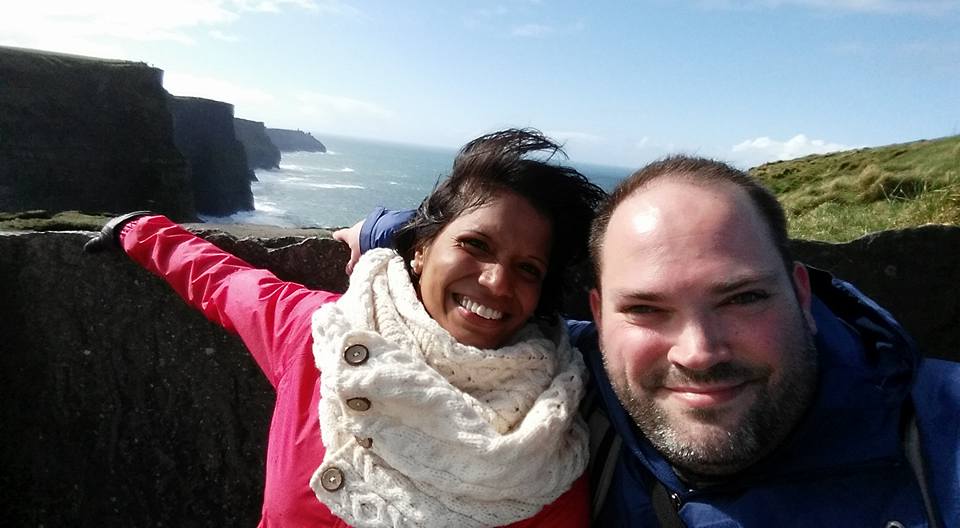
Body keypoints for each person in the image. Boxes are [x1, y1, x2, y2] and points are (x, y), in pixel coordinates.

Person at [350, 155, 959, 527]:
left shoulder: (938, 441)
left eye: (742, 297)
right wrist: (382, 230)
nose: (698, 352)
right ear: (599, 313)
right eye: (645, 308)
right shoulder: (565, 377)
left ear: (802, 291)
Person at [84, 128, 607, 527]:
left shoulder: (552, 428)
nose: (496, 282)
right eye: (475, 245)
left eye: (528, 269)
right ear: (420, 248)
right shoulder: (321, 335)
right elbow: (227, 285)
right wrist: (141, 232)